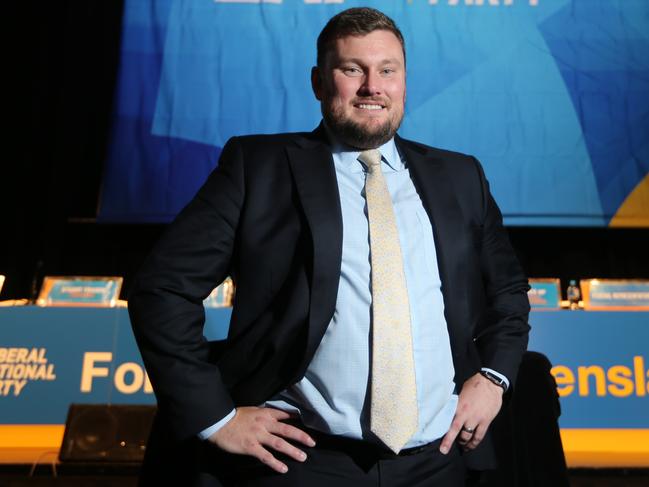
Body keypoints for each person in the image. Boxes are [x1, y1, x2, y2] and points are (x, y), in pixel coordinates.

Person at [128, 7, 530, 487]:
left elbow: (507, 293)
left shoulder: (461, 176)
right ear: (319, 82)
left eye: (387, 70)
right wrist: (216, 418)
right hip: (301, 463)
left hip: (439, 460)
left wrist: (494, 378)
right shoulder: (258, 169)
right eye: (352, 70)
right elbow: (162, 288)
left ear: (404, 80)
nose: (372, 87)